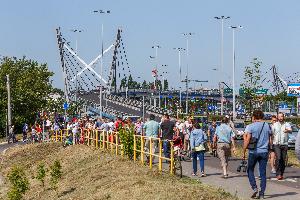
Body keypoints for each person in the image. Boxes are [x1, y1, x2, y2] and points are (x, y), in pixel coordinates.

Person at [243, 110, 272, 199]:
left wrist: (243, 151)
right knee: (263, 173)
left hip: (253, 152)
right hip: (264, 152)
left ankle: (255, 188)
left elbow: (247, 140)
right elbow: (271, 139)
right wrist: (270, 150)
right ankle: (262, 193)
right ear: (262, 117)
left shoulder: (250, 126)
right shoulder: (267, 126)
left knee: (250, 170)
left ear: (254, 117)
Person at [272, 112, 292, 180]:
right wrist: (270, 143)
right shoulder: (274, 125)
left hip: (285, 144)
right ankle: (278, 174)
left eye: (282, 116)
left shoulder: (287, 124)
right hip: (276, 144)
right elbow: (271, 134)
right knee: (278, 158)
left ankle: (281, 173)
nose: (280, 118)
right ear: (277, 117)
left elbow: (290, 130)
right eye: (279, 117)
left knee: (283, 160)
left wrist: (287, 130)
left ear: (284, 117)